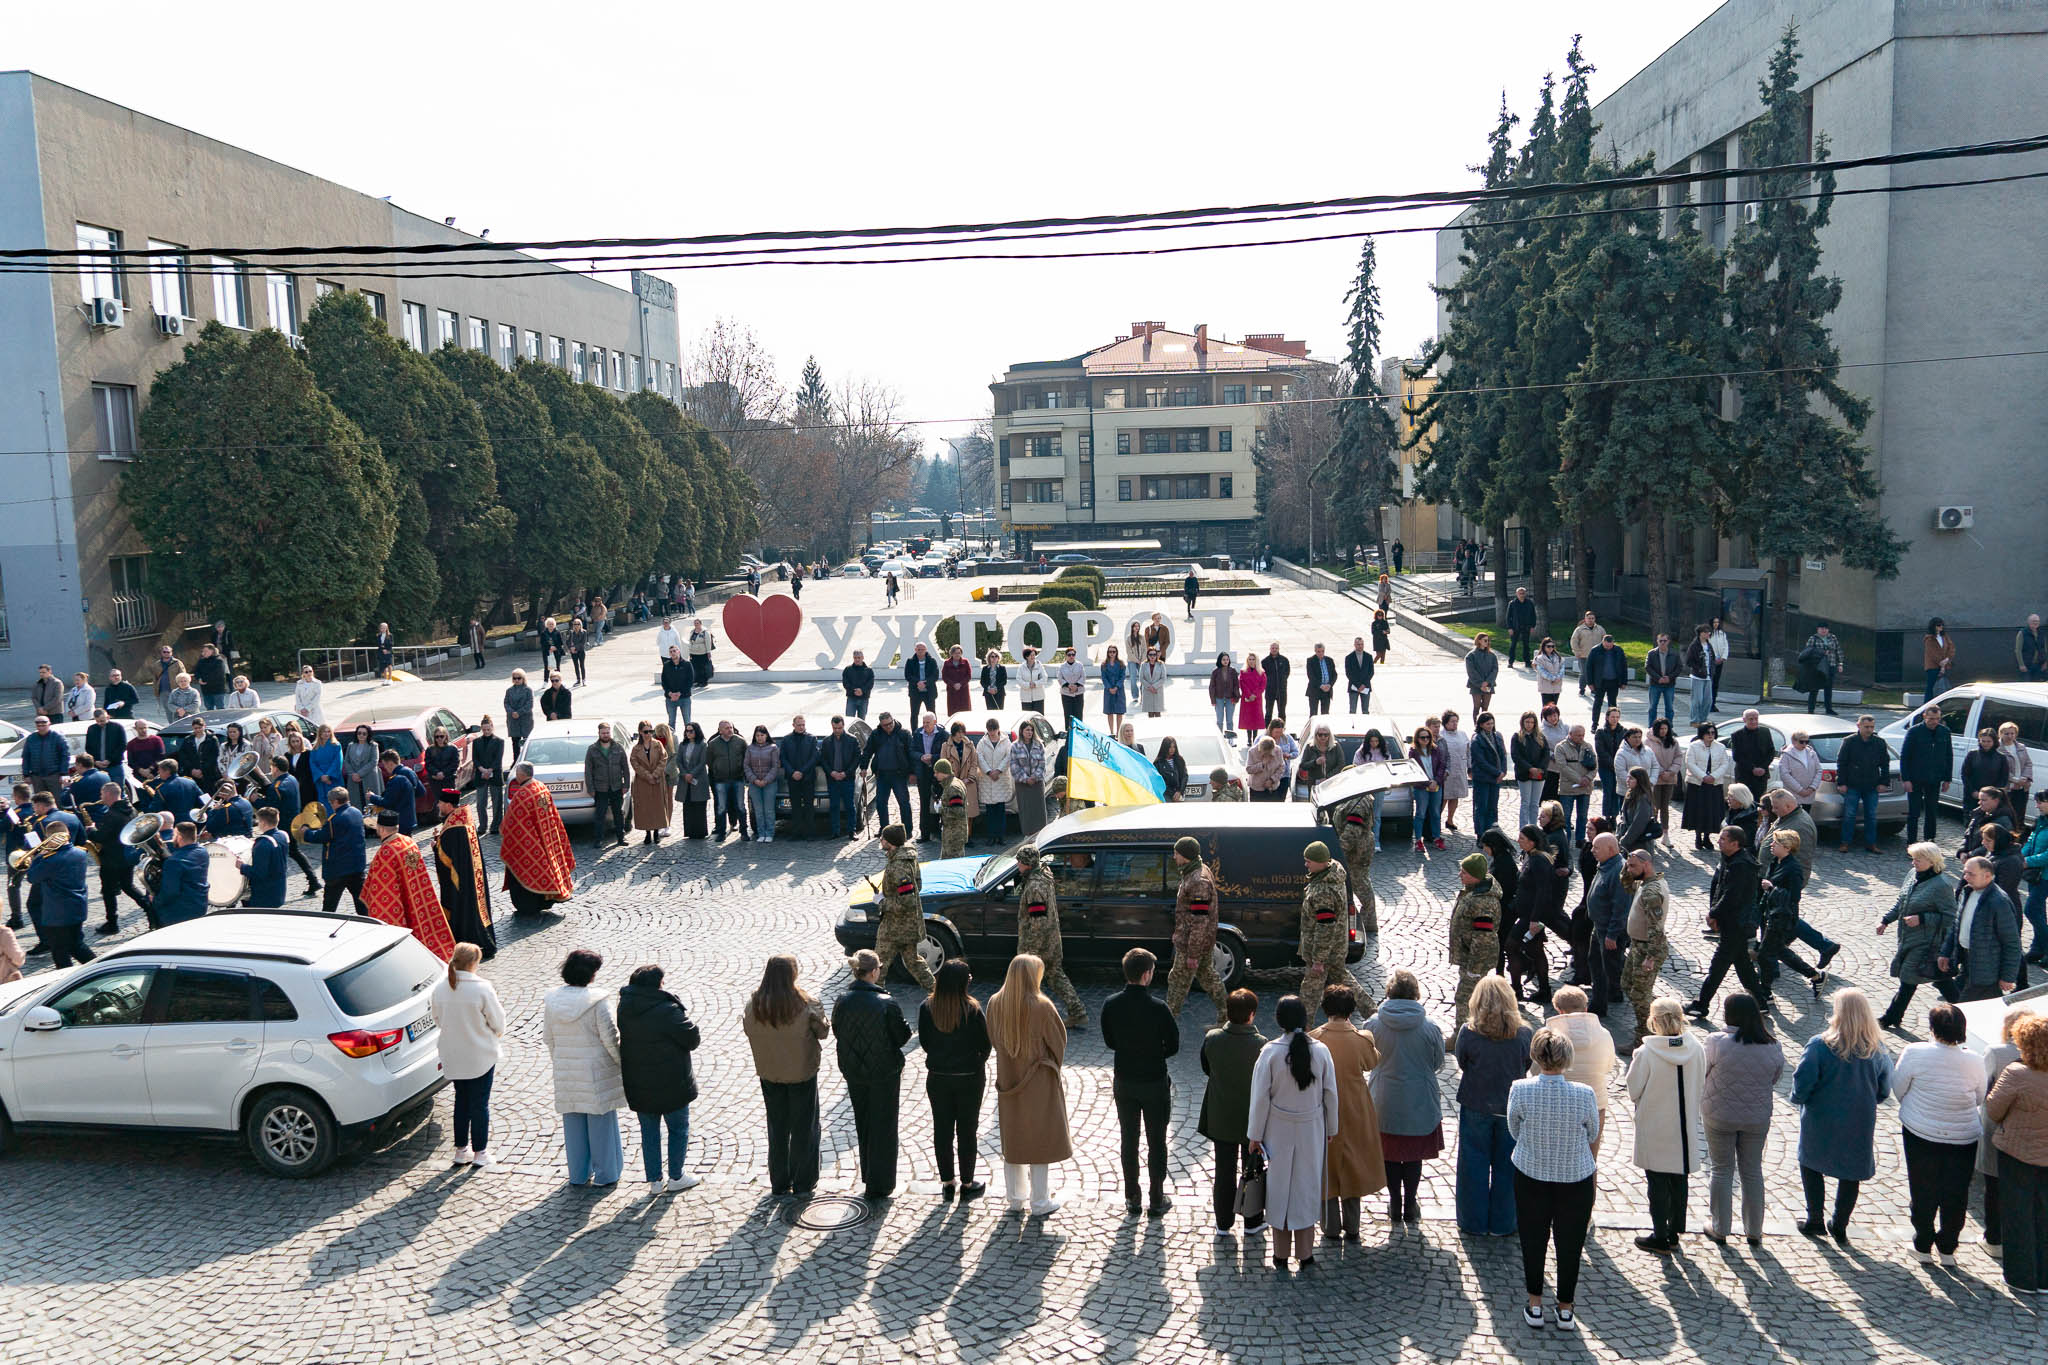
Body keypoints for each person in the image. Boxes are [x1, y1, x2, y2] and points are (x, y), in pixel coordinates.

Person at [1507, 1028, 1601, 1332]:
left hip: (1532, 1174)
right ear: (1567, 1058)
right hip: (1575, 1179)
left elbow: (1514, 1129)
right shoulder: (1584, 1094)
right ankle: (1565, 1309)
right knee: (1570, 1244)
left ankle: (1535, 1303)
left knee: (1533, 1240)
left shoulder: (1519, 1089)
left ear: (1536, 1056)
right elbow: (1592, 1134)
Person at [1790, 987, 1896, 1246]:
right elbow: (1884, 1088)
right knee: (1851, 1171)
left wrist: (1799, 1099)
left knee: (1811, 1162)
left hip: (1820, 1117)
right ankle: (1839, 1223)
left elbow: (1802, 1082)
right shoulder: (1877, 1050)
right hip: (1859, 1119)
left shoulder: (1819, 1045)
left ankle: (1815, 1218)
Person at [1888, 999, 1985, 1264]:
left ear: (1932, 1028)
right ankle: (1948, 1246)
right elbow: (1979, 1097)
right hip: (1963, 1136)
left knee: (1922, 1187)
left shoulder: (1915, 1052)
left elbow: (1898, 1087)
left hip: (1921, 1131)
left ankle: (1922, 1243)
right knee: (1956, 1191)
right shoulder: (1975, 1061)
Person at [1247, 993, 1339, 1269]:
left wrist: (1255, 1134)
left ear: (1278, 1020)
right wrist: (1331, 1127)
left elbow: (1260, 1097)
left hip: (1278, 1129)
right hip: (1311, 1128)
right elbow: (1330, 1094)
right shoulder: (1321, 1051)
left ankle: (1280, 1253)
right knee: (1306, 1187)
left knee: (1278, 1189)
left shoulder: (1271, 1053)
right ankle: (1305, 1252)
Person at [989, 953, 1071, 1217]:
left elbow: (992, 1038)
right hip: (1038, 1081)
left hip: (1009, 1079)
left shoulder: (994, 1003)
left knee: (1014, 1140)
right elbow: (1059, 1043)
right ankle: (1039, 1201)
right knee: (1040, 1140)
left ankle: (1015, 1198)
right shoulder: (1042, 1005)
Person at [1099, 946, 1179, 1216]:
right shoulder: (1159, 1008)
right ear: (1146, 975)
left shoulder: (1111, 1004)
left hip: (1125, 1079)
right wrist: (1155, 1052)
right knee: (1157, 1139)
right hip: (1154, 1080)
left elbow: (1110, 1041)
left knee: (1128, 1138)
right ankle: (1157, 1196)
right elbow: (1174, 1045)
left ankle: (1132, 1195)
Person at [1625, 996, 1707, 1254]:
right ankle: (1674, 1232)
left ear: (1654, 1021)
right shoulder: (1696, 1048)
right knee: (1678, 1178)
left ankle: (1660, 1234)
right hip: (1684, 1125)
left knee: (1657, 1182)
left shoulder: (1647, 1052)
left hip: (1656, 1123)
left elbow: (1633, 1088)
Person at [743, 954, 828, 1197]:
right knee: (804, 1128)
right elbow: (822, 1032)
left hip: (769, 1073)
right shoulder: (805, 1002)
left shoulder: (755, 1003)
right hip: (801, 1073)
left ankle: (779, 1182)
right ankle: (803, 1182)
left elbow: (748, 1028)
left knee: (777, 1127)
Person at [1365, 969, 1444, 1226]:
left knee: (1389, 1153)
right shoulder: (1431, 1027)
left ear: (1389, 992)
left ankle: (1395, 1202)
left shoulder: (1372, 1025)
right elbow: (1437, 1062)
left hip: (1383, 1098)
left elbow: (1366, 1061)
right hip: (1419, 1098)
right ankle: (1410, 1203)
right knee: (1413, 1155)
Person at [1454, 974, 1531, 1236]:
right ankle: (1503, 1223)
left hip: (1477, 1104)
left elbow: (1462, 1063)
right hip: (1510, 1108)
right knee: (1508, 1167)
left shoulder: (1469, 1032)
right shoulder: (1523, 1034)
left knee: (1472, 1165)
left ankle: (1473, 1222)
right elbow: (1526, 1065)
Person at [832, 947, 911, 1202]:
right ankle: (882, 1182)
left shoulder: (842, 1000)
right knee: (884, 1127)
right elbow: (901, 1036)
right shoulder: (886, 1003)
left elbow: (837, 1030)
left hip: (855, 1072)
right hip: (885, 1073)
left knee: (863, 1123)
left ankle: (868, 1176)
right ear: (875, 971)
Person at [543, 949, 625, 1187]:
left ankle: (578, 1174)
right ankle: (606, 1174)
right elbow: (610, 1039)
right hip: (596, 1071)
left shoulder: (552, 1001)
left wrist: (560, 1061)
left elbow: (549, 1038)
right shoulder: (597, 1003)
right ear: (591, 974)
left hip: (566, 1069)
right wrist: (621, 1064)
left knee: (574, 1126)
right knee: (601, 1124)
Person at [1986, 1013, 2048, 1294]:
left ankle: (2021, 1278)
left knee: (2017, 1214)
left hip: (2018, 1153)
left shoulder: (2017, 1073)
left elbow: (1994, 1110)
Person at [1199, 988, 1269, 1236]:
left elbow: (1207, 1068)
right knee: (1253, 1169)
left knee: (1223, 1171)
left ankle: (1223, 1222)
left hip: (1221, 1116)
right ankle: (1252, 1221)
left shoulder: (1213, 1038)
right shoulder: (1262, 1045)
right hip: (1252, 1119)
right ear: (1252, 1015)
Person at [432, 943, 506, 1172]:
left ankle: (461, 1150)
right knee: (479, 1103)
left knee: (461, 1101)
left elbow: (437, 1019)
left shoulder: (441, 988)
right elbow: (498, 1021)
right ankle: (480, 1153)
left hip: (453, 1053)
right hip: (480, 1055)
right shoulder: (482, 988)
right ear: (475, 963)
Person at [1684, 827, 1767, 1019]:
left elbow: (1731, 896)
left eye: (1723, 839)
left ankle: (1701, 1004)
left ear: (1735, 843)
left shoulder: (1741, 865)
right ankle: (1761, 1002)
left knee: (1718, 966)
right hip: (1735, 922)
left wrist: (1713, 913)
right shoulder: (1732, 859)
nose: (1719, 841)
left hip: (1737, 924)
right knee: (1743, 965)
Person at [362, 811, 455, 960]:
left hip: (403, 901)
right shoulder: (409, 841)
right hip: (418, 895)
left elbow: (382, 892)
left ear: (381, 828)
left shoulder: (386, 852)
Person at [1938, 854, 2022, 1002]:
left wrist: (2007, 976)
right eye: (1965, 872)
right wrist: (1945, 953)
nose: (1965, 877)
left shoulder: (1999, 901)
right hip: (1967, 962)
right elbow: (1957, 925)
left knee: (1964, 1010)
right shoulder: (1967, 892)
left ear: (1987, 876)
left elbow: (2012, 942)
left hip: (1987, 971)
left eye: (1971, 874)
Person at [1165, 836, 1226, 1022]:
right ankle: (1228, 1015)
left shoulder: (1198, 881)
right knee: (1208, 977)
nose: (1174, 856)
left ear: (1186, 855)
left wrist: (1192, 953)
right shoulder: (1194, 871)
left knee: (1177, 982)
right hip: (1197, 942)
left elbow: (1200, 921)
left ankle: (1167, 1022)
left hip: (1193, 944)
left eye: (1176, 853)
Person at [430, 789, 496, 958]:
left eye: (440, 803)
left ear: (448, 805)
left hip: (462, 885)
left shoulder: (453, 829)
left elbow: (447, 859)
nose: (438, 805)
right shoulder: (465, 819)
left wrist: (436, 846)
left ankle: (469, 944)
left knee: (466, 911)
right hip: (473, 877)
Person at [1755, 830, 1820, 1000]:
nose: (1771, 845)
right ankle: (1815, 976)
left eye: (1775, 843)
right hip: (1771, 914)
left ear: (1787, 847)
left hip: (1782, 918)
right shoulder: (1776, 862)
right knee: (1779, 951)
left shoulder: (1793, 868)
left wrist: (1772, 889)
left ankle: (1766, 991)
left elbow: (1794, 897)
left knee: (1764, 954)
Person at [872, 823, 936, 992]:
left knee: (877, 964)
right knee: (913, 962)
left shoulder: (898, 867)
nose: (881, 840)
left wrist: (881, 901)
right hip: (908, 925)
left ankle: (874, 998)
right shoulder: (908, 858)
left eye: (883, 838)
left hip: (895, 926)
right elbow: (917, 886)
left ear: (891, 842)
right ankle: (936, 992)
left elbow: (907, 901)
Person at [1448, 853, 1502, 1026]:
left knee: (1465, 997)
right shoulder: (1473, 892)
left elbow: (1484, 939)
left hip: (1475, 960)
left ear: (1475, 876)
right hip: (1468, 956)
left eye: (1464, 872)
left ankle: (1462, 1033)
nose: (1459, 875)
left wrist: (1474, 968)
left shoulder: (1482, 903)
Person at [302, 788, 368, 915]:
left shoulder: (335, 819)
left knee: (329, 907)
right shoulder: (357, 812)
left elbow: (321, 836)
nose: (331, 805)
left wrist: (307, 832)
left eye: (331, 802)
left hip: (337, 870)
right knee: (361, 903)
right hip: (356, 866)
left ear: (336, 802)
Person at [1681, 722, 1732, 851]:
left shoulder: (1720, 747)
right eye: (1708, 733)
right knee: (1698, 810)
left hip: (1714, 784)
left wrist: (1713, 776)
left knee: (1711, 810)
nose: (1710, 735)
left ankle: (1707, 836)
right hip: (1697, 784)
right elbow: (1690, 763)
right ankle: (1698, 835)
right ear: (1702, 734)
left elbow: (1724, 763)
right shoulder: (1694, 746)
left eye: (1713, 733)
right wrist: (1703, 776)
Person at [1795, 623, 1844, 716]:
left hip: (1831, 665)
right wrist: (1822, 652)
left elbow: (1838, 651)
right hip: (1817, 667)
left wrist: (1840, 663)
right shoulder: (1813, 638)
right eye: (1822, 628)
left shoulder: (1833, 637)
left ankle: (1829, 709)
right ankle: (1811, 709)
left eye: (1826, 628)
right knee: (1814, 688)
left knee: (1828, 688)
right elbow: (1808, 651)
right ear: (1817, 629)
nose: (1824, 630)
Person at [1922, 616, 1956, 702]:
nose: (1941, 627)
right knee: (1931, 687)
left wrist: (1947, 659)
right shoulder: (1929, 639)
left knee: (1943, 687)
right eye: (1938, 625)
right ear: (1933, 626)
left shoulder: (1944, 636)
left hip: (1945, 665)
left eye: (1942, 625)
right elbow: (1933, 654)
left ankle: (1941, 705)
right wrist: (1942, 666)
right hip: (1933, 667)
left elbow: (1951, 648)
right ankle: (1926, 708)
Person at [904, 642, 939, 725]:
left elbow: (935, 675)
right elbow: (907, 675)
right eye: (918, 649)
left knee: (932, 714)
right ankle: (914, 733)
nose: (920, 651)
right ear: (915, 650)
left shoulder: (932, 661)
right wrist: (918, 682)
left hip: (929, 692)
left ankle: (934, 730)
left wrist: (925, 683)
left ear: (926, 650)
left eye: (922, 649)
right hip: (915, 692)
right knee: (914, 714)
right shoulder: (910, 661)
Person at [1056, 646, 1087, 727]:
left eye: (1073, 655)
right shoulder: (1062, 666)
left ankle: (1079, 731)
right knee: (1068, 714)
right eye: (1069, 655)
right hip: (1066, 693)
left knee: (1078, 713)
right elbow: (1059, 678)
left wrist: (1076, 686)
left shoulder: (1080, 665)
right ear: (1066, 656)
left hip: (1078, 693)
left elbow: (1083, 677)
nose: (1071, 656)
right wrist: (1068, 685)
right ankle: (1069, 732)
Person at [1344, 635, 1375, 715]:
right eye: (1358, 644)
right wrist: (1358, 685)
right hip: (1354, 687)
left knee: (1365, 711)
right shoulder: (1349, 658)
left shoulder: (1369, 657)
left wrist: (1364, 684)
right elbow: (1348, 673)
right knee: (1352, 710)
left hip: (1365, 687)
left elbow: (1371, 672)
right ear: (1354, 645)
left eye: (1362, 644)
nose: (1360, 646)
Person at [1014, 646, 1049, 717]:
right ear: (1026, 656)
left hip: (1038, 697)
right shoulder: (1021, 667)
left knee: (1039, 717)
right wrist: (1028, 685)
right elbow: (1019, 680)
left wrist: (1035, 684)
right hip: (1025, 697)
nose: (1033, 657)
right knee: (1027, 718)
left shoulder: (1039, 666)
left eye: (1034, 655)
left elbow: (1045, 678)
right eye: (1031, 655)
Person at [1533, 637, 1566, 709]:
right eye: (1548, 646)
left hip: (1557, 687)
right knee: (1546, 709)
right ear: (1544, 647)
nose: (1551, 648)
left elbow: (1562, 668)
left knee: (1554, 708)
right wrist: (1553, 679)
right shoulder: (1539, 658)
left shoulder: (1558, 657)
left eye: (1552, 646)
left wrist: (1558, 678)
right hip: (1546, 687)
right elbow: (1542, 671)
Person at [687, 618, 716, 691]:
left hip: (702, 653)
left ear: (700, 624)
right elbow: (690, 642)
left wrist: (708, 652)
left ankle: (704, 681)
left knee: (703, 668)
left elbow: (708, 642)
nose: (696, 625)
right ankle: (698, 681)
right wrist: (689, 652)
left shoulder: (705, 632)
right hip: (694, 653)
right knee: (696, 668)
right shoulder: (692, 632)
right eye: (695, 623)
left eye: (697, 623)